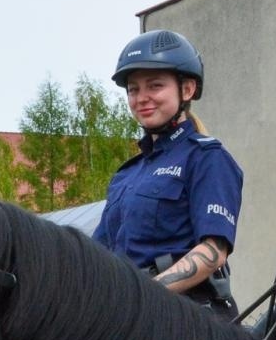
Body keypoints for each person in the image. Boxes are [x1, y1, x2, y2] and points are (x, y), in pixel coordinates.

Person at [94, 29, 242, 315]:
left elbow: (213, 253)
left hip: (188, 317)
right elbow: (98, 256)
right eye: (133, 89)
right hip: (129, 317)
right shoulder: (127, 175)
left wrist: (141, 297)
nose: (142, 98)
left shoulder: (207, 158)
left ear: (186, 89)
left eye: (155, 85)